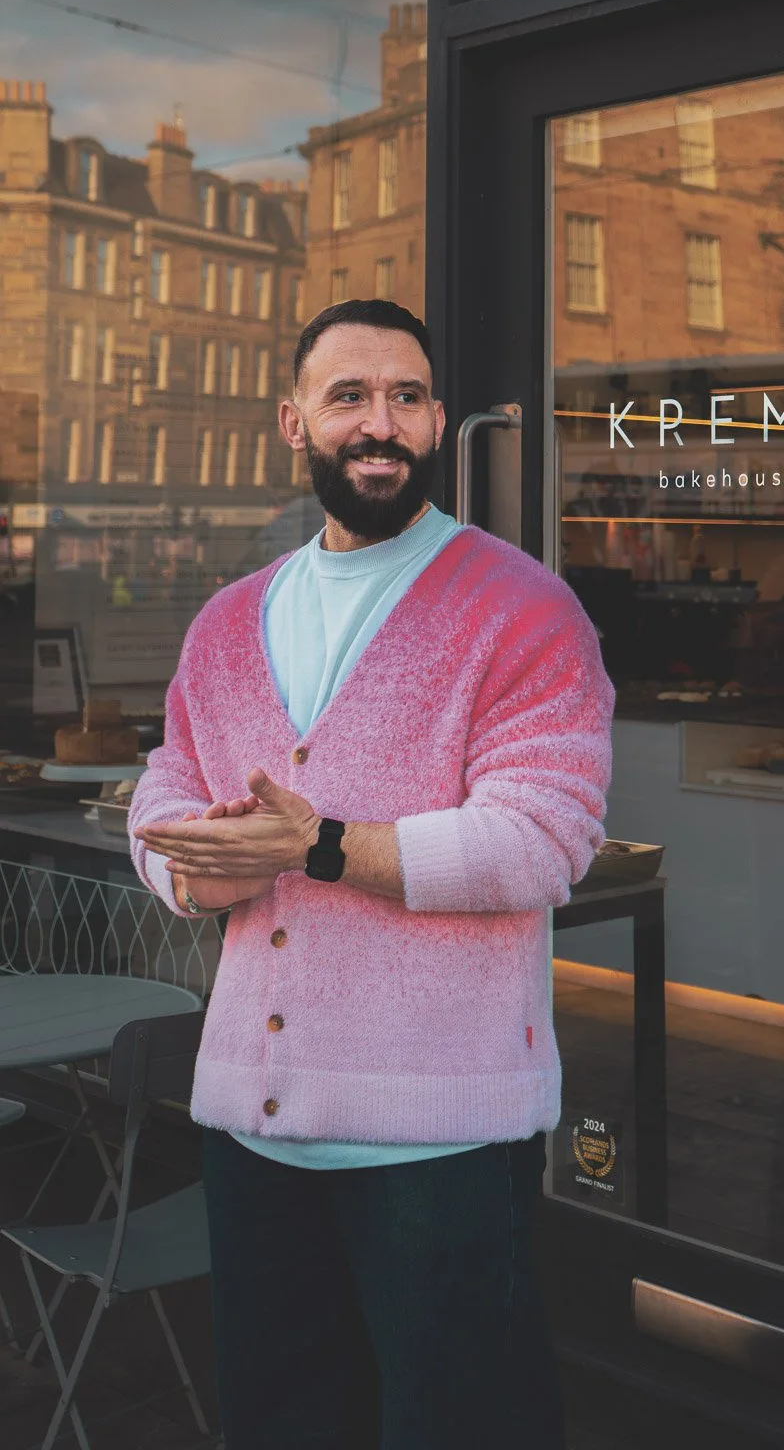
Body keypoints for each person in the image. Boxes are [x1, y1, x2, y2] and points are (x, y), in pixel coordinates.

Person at [129, 298, 614, 1450]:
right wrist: (195, 873)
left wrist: (323, 845)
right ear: (294, 422)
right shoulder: (227, 619)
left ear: (439, 421)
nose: (378, 422)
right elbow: (164, 786)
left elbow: (544, 838)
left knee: (458, 1425)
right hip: (255, 1125)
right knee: (283, 1420)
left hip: (438, 1136)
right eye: (349, 397)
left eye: (404, 396)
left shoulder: (522, 605)